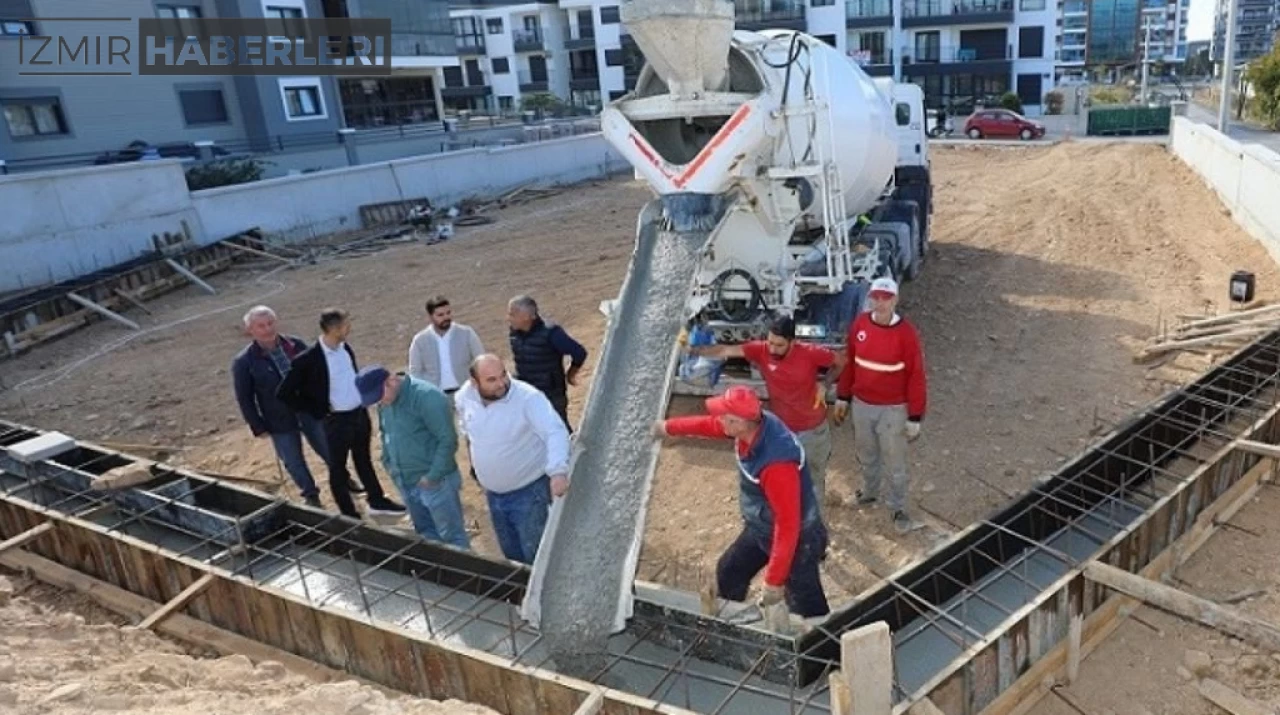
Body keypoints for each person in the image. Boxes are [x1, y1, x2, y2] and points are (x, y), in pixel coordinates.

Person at [653, 385, 830, 624]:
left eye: (725, 417)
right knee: (729, 571)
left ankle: (824, 650)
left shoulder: (777, 464)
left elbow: (788, 525)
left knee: (805, 603)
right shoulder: (752, 426)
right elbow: (710, 426)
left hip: (798, 539)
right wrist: (668, 427)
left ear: (740, 423)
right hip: (762, 525)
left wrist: (774, 582)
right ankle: (729, 624)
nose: (718, 421)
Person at [686, 314, 845, 509]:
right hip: (780, 431)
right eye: (770, 342)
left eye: (779, 345)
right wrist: (691, 349)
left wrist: (825, 384)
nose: (772, 349)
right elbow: (725, 349)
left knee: (812, 481)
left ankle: (814, 526)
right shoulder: (761, 350)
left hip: (812, 431)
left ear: (793, 342)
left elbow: (840, 361)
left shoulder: (811, 353)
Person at [276, 308, 405, 520]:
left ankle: (377, 499)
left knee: (363, 459)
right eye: (345, 324)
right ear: (334, 329)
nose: (349, 327)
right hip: (336, 420)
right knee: (337, 468)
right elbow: (284, 393)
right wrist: (317, 409)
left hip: (358, 414)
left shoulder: (345, 348)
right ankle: (348, 513)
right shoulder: (309, 359)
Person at [832, 276, 927, 534]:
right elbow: (850, 362)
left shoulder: (906, 334)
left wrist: (914, 417)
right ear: (870, 298)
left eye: (886, 298)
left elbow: (916, 376)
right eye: (876, 297)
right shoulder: (860, 324)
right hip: (862, 405)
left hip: (892, 409)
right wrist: (843, 396)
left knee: (894, 459)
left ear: (895, 300)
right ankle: (869, 492)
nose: (880, 303)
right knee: (866, 452)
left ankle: (897, 508)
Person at [455, 354, 571, 565]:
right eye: (491, 380)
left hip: (529, 494)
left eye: (503, 375)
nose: (501, 384)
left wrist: (558, 471)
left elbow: (555, 431)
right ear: (474, 383)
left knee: (535, 557)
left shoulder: (528, 398)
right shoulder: (465, 396)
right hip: (493, 495)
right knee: (511, 555)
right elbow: (466, 429)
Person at [358, 367, 470, 550]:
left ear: (392, 380)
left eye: (380, 396)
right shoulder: (384, 402)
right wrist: (389, 464)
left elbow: (448, 440)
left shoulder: (427, 398)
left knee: (453, 538)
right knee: (425, 534)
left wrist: (432, 476)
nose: (379, 402)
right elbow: (387, 433)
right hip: (405, 481)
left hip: (436, 484)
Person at [230, 306, 331, 509]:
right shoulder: (244, 362)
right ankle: (311, 494)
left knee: (328, 448)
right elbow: (245, 398)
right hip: (279, 419)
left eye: (270, 323)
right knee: (293, 461)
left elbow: (318, 374)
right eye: (261, 326)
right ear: (250, 329)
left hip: (309, 410)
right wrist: (257, 425)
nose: (267, 329)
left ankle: (342, 477)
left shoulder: (296, 345)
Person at [506, 295, 587, 429]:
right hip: (527, 393)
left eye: (512, 314)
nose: (508, 318)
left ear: (527, 316)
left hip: (551, 394)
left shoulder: (551, 333)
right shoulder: (515, 332)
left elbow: (579, 352)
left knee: (558, 428)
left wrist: (571, 373)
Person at [407, 296, 485, 399]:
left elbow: (481, 361)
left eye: (448, 313)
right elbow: (415, 373)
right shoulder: (420, 341)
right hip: (435, 397)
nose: (446, 317)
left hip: (467, 394)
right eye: (440, 315)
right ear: (430, 317)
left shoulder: (466, 333)